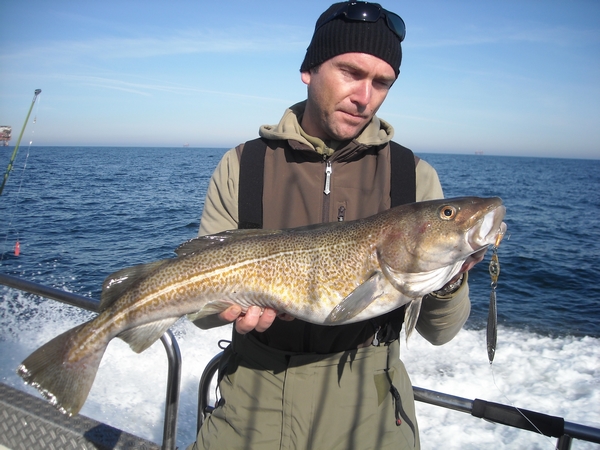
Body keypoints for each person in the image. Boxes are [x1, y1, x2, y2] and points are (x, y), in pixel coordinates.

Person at [188, 2, 484, 449]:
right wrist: (222, 309)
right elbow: (200, 308)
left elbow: (440, 333)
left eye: (381, 82)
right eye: (350, 72)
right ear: (309, 69)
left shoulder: (414, 176)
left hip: (373, 408)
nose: (365, 96)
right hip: (252, 397)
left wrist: (449, 280)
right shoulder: (241, 165)